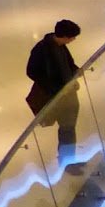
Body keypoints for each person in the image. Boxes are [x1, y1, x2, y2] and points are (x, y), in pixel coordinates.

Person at [26, 18, 82, 162]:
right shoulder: (42, 49)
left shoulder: (60, 45)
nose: (73, 40)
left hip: (68, 93)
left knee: (68, 128)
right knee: (67, 128)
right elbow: (31, 72)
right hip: (57, 96)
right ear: (65, 36)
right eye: (72, 37)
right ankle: (67, 160)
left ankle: (69, 158)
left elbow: (68, 64)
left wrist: (75, 72)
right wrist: (52, 87)